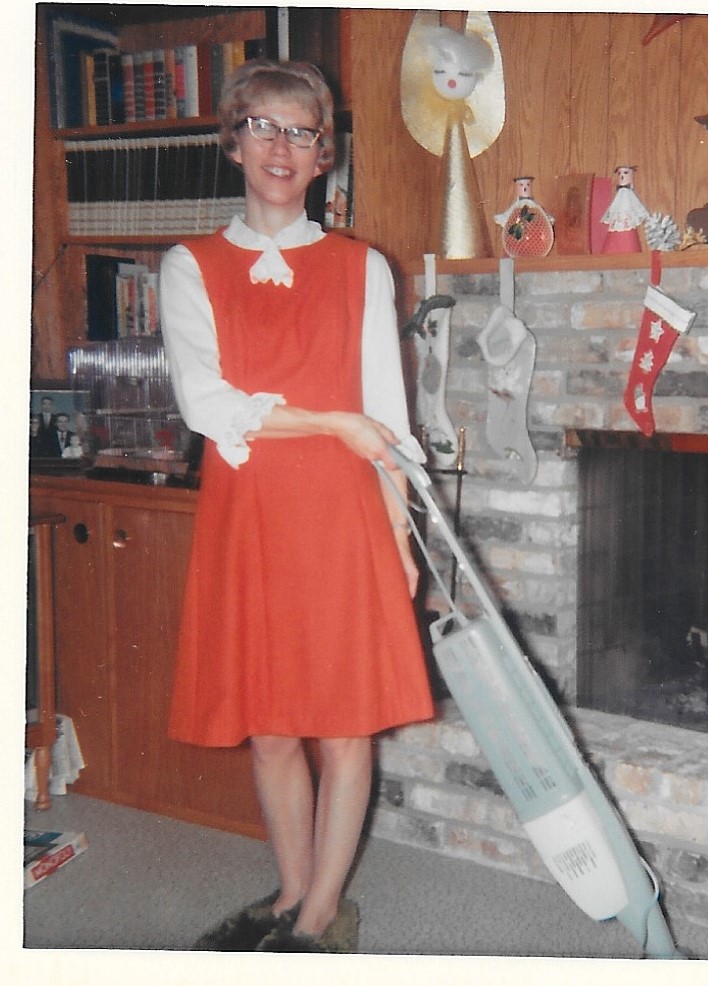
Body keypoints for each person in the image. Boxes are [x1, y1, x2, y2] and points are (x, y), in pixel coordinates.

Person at [159, 58, 435, 954]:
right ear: (233, 143)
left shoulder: (363, 267)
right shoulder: (190, 266)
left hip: (345, 518)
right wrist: (329, 422)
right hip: (250, 520)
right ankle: (288, 891)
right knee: (272, 728)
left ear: (325, 155)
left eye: (302, 132)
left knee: (344, 727)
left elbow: (386, 419)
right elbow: (206, 404)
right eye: (263, 127)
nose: (281, 147)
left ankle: (320, 918)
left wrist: (401, 540)